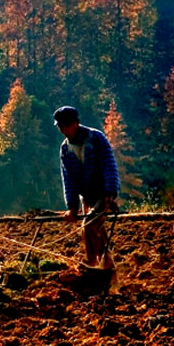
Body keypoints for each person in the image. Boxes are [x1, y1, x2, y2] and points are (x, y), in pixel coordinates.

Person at [54, 106, 120, 270]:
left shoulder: (95, 138)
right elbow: (68, 179)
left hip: (103, 193)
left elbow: (108, 164)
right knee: (97, 233)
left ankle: (92, 265)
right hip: (87, 195)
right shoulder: (65, 148)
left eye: (66, 126)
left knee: (88, 226)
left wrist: (111, 191)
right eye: (61, 127)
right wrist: (72, 207)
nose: (63, 130)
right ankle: (108, 269)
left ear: (76, 123)